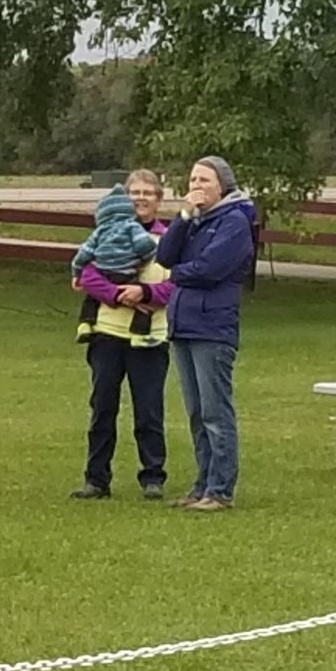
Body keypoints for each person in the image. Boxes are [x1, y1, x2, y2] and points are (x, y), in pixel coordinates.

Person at [143, 156, 256, 511]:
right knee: (195, 412)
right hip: (184, 324)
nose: (196, 186)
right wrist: (182, 217)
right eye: (192, 180)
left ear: (223, 185)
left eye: (204, 180)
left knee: (215, 412)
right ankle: (202, 485)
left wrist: (177, 275)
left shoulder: (234, 221)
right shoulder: (197, 221)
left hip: (213, 327)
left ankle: (220, 489)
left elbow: (209, 269)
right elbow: (164, 255)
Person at [70, 168, 170, 500]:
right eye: (134, 192)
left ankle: (153, 476)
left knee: (149, 409)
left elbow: (178, 282)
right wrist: (117, 295)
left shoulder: (168, 239)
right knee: (102, 407)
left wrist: (147, 294)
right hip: (107, 334)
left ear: (159, 199)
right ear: (123, 198)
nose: (140, 198)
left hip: (150, 338)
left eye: (147, 193)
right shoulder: (106, 232)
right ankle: (96, 479)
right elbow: (87, 274)